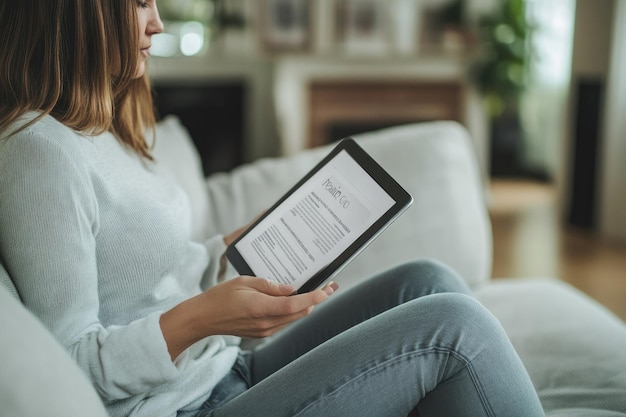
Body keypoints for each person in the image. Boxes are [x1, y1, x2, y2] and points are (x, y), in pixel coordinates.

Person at [0, 1, 545, 416]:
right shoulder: (37, 150)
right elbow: (70, 364)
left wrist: (231, 252)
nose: (159, 23)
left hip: (222, 370)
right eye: (140, 2)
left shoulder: (108, 124)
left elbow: (145, 280)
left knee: (429, 280)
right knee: (455, 326)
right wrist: (204, 318)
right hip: (186, 407)